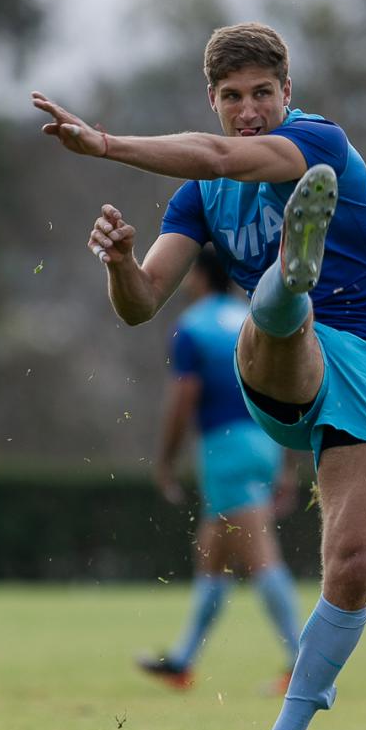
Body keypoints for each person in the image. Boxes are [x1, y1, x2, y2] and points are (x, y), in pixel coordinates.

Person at [32, 20, 366, 730]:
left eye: (262, 95)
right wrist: (117, 264)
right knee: (282, 317)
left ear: (287, 93)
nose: (248, 111)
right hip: (283, 364)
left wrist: (103, 143)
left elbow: (218, 155)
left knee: (350, 564)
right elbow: (142, 306)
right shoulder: (198, 200)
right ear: (212, 99)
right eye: (233, 98)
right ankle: (288, 281)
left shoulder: (317, 141)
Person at [139, 244, 302, 692]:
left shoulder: (192, 327)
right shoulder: (252, 317)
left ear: (197, 277)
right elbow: (281, 387)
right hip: (264, 439)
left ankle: (303, 663)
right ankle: (183, 660)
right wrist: (287, 462)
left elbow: (183, 398)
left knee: (260, 556)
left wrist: (166, 460)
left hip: (224, 448)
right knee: (212, 555)